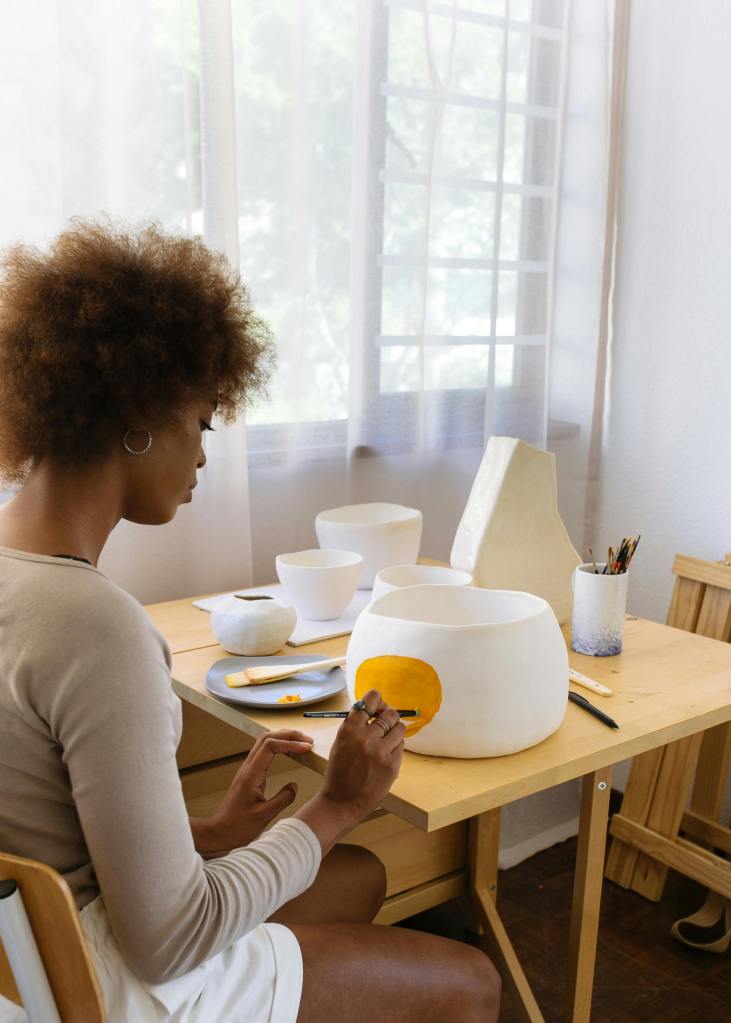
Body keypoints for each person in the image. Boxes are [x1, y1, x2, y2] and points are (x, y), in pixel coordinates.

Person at [0, 220, 501, 1022]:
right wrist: (336, 803)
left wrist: (197, 833)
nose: (204, 454)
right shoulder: (97, 628)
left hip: (26, 954)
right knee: (472, 983)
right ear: (139, 409)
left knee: (360, 877)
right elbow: (170, 936)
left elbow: (44, 816)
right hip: (112, 980)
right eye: (201, 421)